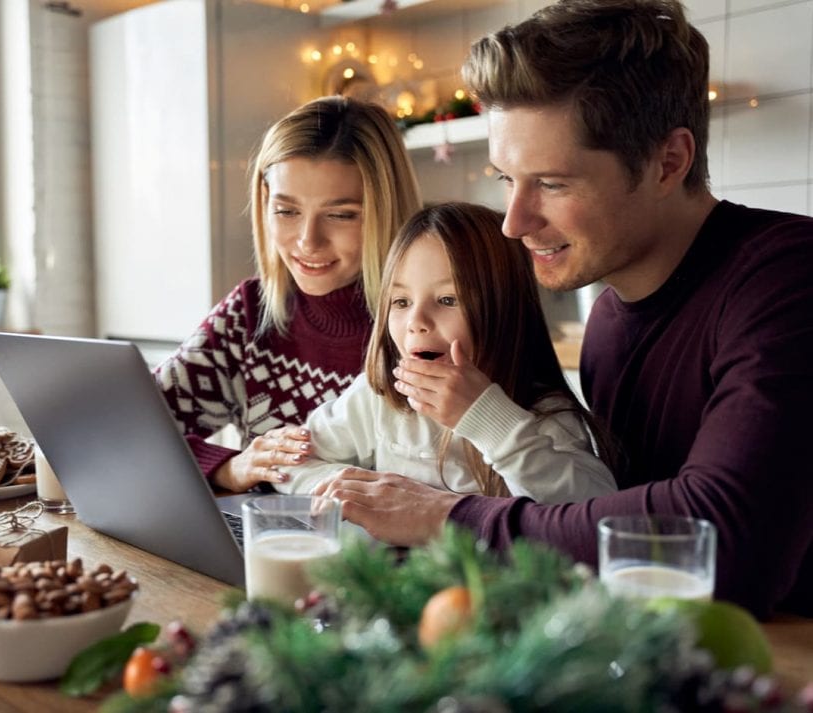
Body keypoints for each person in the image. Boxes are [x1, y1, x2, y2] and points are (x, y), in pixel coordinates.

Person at [315, 0, 813, 619]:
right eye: (506, 180)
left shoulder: (790, 278)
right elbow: (596, 517)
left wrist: (446, 517)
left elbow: (726, 541)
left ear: (669, 162)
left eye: (551, 183)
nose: (514, 223)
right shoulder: (608, 321)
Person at [155, 96, 422, 494]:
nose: (307, 241)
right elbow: (131, 429)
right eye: (286, 211)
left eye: (341, 214)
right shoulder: (250, 312)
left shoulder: (429, 324)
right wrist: (228, 467)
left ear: (387, 209)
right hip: (266, 551)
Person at [278, 202, 615, 502]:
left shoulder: (545, 415)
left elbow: (594, 510)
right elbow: (291, 463)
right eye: (401, 302)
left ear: (506, 312)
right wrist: (361, 490)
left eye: (447, 300)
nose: (416, 322)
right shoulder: (381, 397)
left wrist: (489, 420)